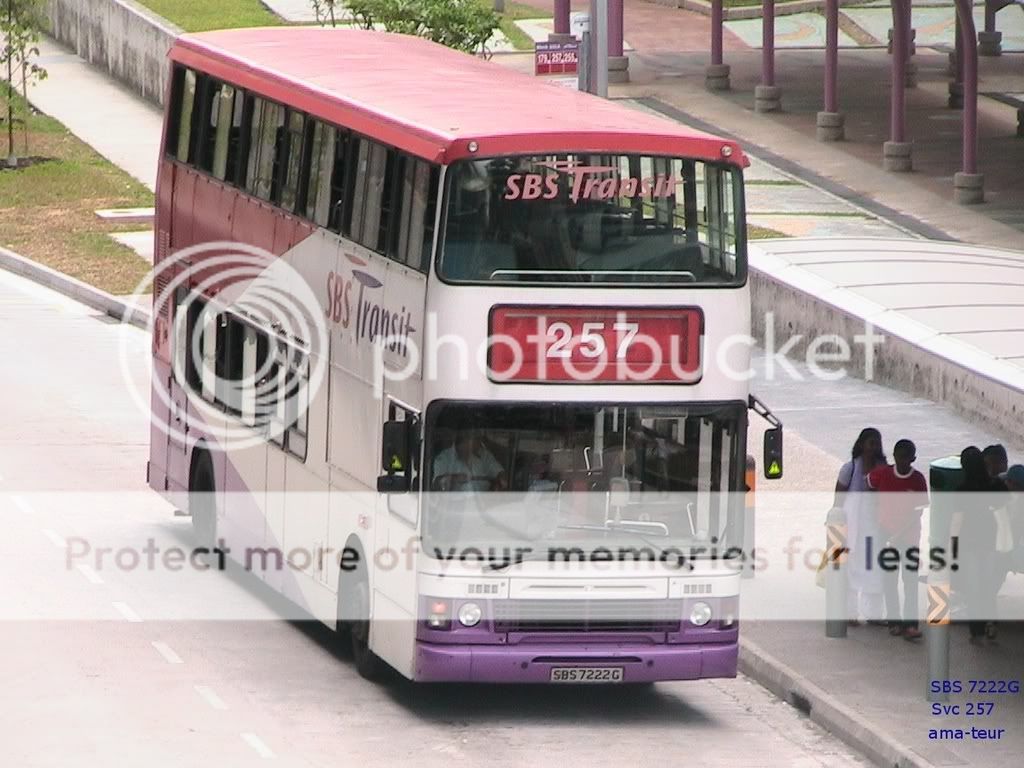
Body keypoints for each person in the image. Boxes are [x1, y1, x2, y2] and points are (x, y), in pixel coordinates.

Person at [867, 439, 929, 639]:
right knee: (890, 580)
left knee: (910, 582)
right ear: (894, 456)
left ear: (913, 459)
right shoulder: (883, 474)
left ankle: (910, 625)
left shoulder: (918, 480)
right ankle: (894, 621)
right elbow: (868, 483)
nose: (903, 462)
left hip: (909, 537)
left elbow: (918, 512)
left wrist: (898, 534)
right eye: (900, 457)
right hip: (886, 534)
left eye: (907, 458)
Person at [834, 428, 887, 625]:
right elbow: (839, 499)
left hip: (874, 527)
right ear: (862, 444)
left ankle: (874, 614)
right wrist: (836, 524)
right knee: (851, 570)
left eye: (877, 443)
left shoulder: (883, 469)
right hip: (852, 527)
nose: (874, 448)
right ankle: (850, 613)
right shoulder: (849, 469)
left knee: (875, 570)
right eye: (871, 443)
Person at [952, 447, 1000, 643]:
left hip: (970, 543)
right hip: (990, 541)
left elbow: (957, 522)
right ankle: (991, 622)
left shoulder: (962, 490)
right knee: (988, 584)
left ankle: (977, 630)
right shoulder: (995, 485)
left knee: (973, 586)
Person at [432, 431, 507, 492]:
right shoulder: (444, 458)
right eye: (477, 439)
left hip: (484, 503)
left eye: (479, 439)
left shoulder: (484, 455)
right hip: (453, 505)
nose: (480, 443)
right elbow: (436, 486)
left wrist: (501, 479)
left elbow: (498, 471)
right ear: (466, 440)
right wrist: (453, 478)